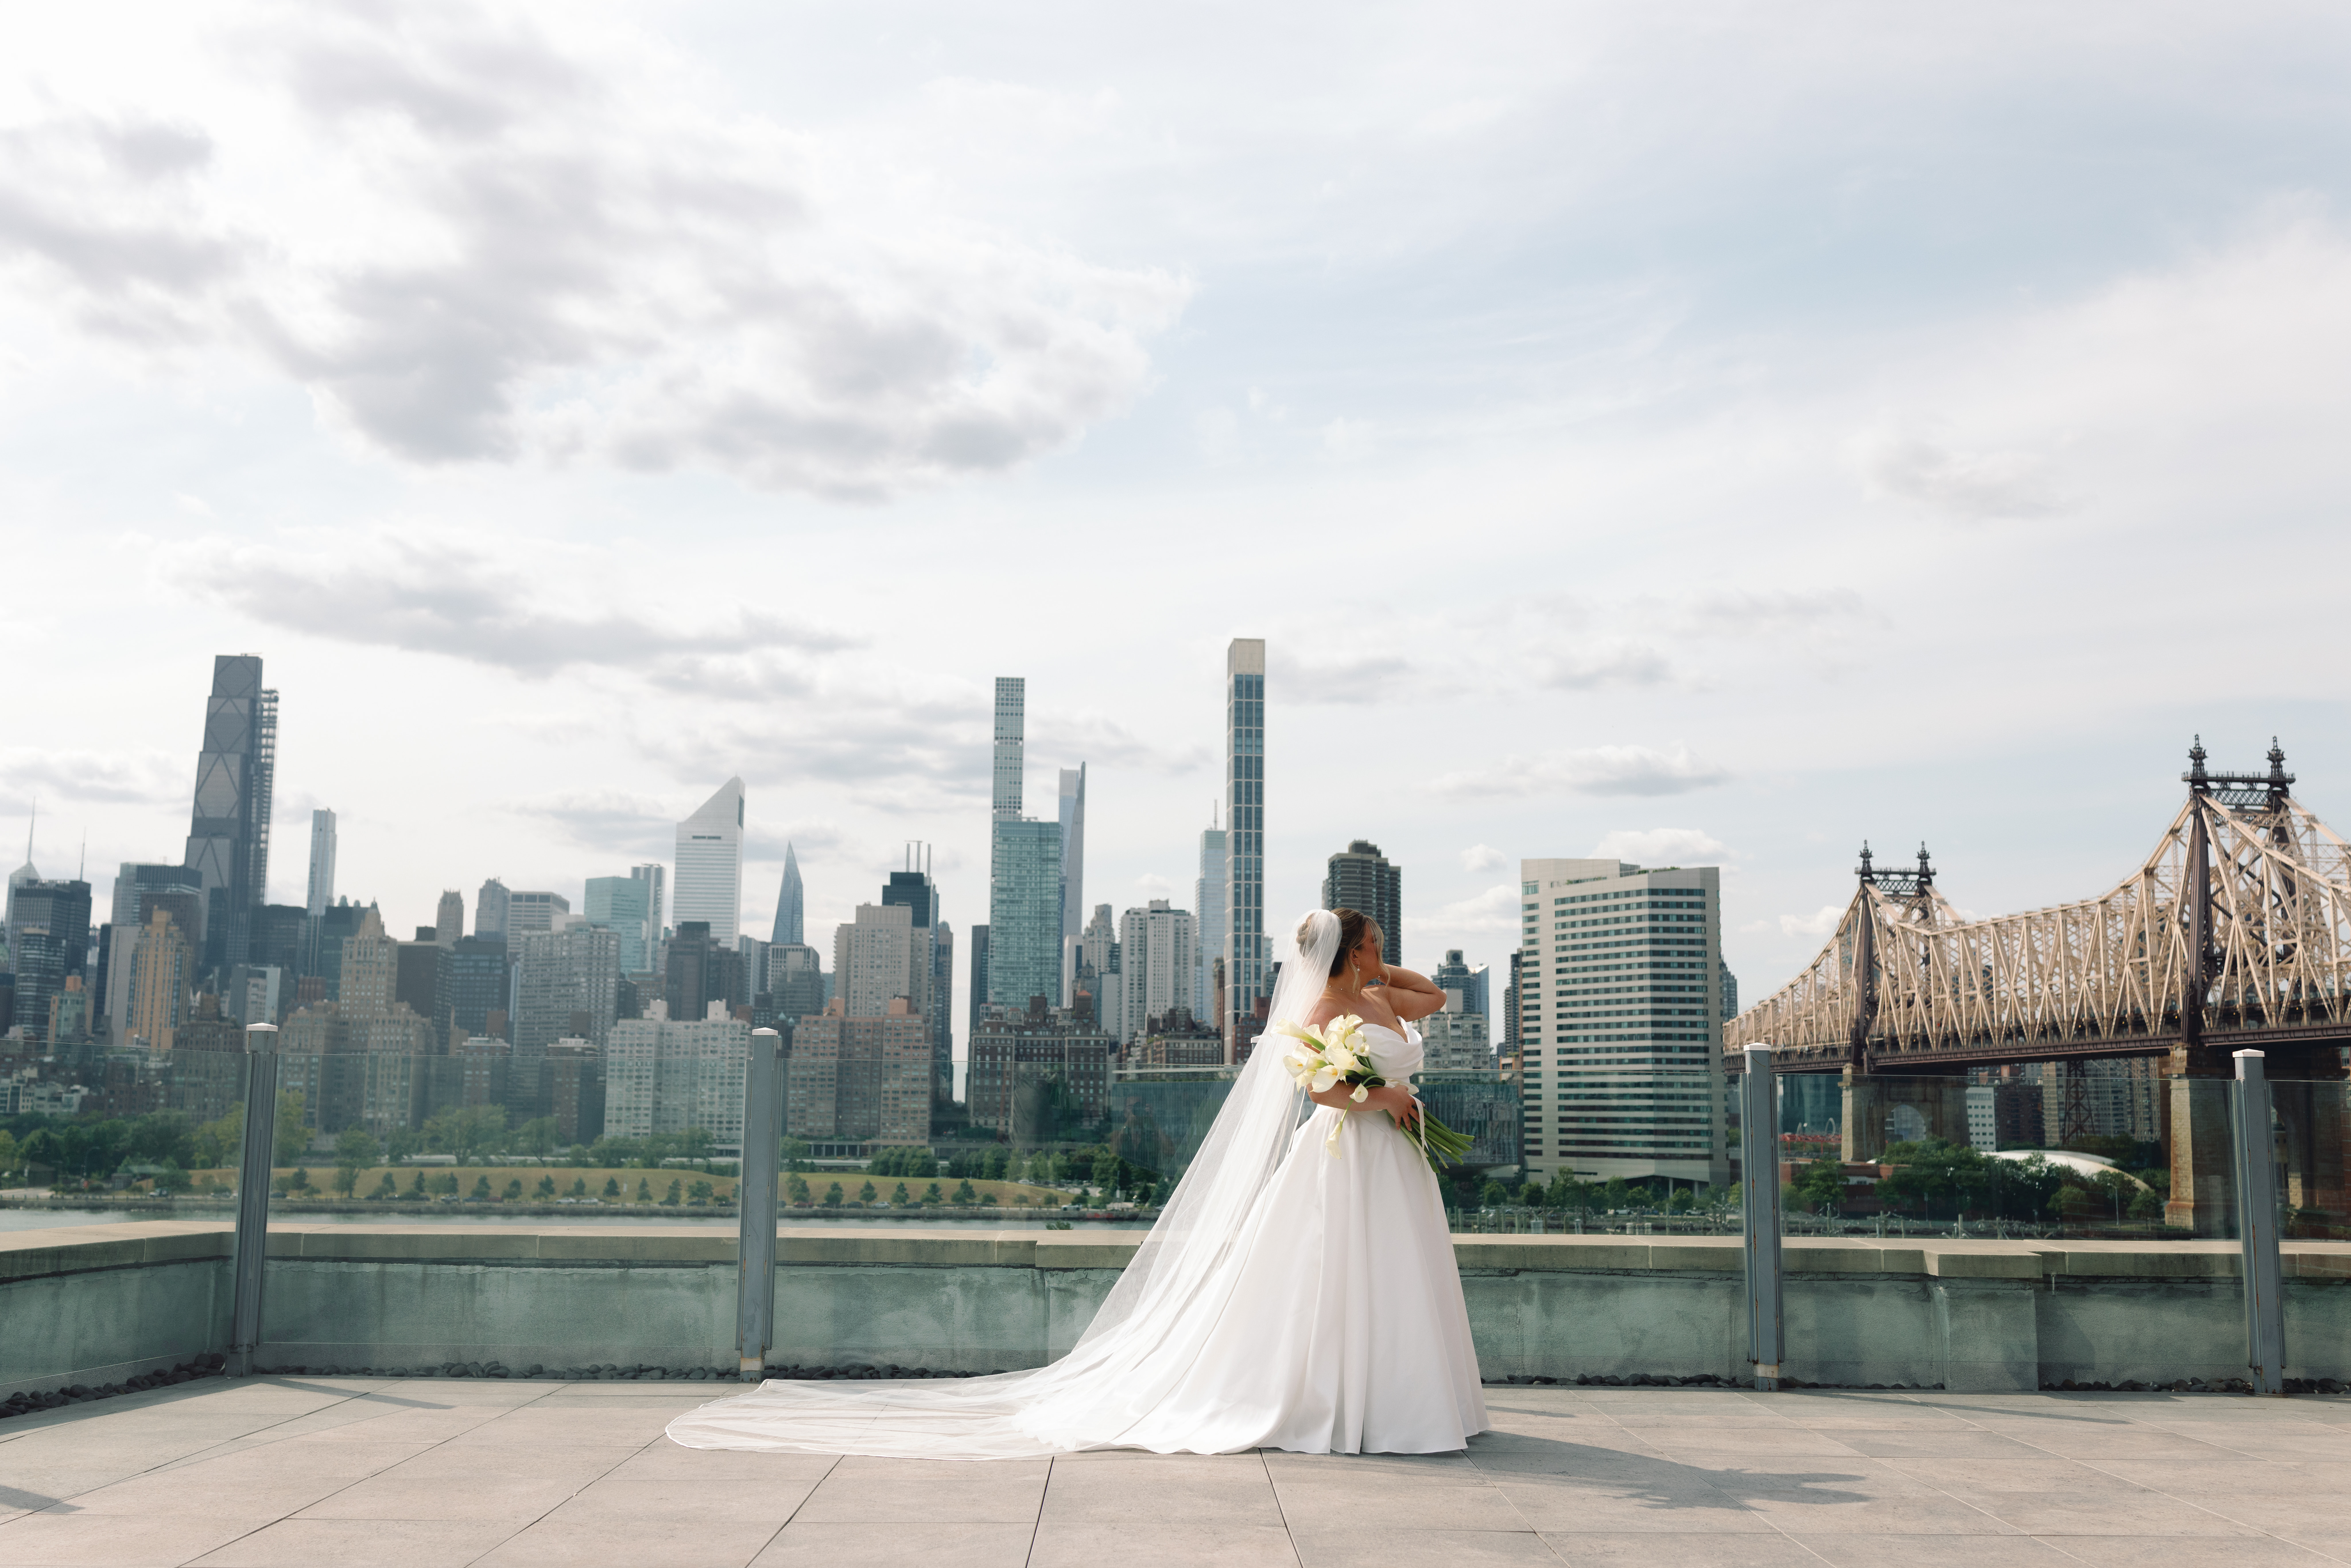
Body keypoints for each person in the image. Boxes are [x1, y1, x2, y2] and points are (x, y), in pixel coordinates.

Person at [665, 905, 1489, 1459]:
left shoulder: (1383, 993)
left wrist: (1367, 965)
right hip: (1350, 1152)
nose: (1385, 950)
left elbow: (1438, 995)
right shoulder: (1315, 1017)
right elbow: (1315, 1090)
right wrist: (1379, 1092)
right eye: (1374, 940)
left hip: (1394, 1160)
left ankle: (1402, 1396)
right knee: (1338, 1275)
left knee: (1395, 1273)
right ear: (1350, 952)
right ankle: (1349, 1400)